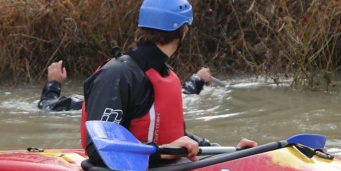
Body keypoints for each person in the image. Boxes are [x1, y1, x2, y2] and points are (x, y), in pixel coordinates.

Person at [79, 0, 256, 165]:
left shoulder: (165, 74)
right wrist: (163, 151)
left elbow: (178, 137)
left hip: (161, 168)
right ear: (183, 30)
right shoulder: (117, 74)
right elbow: (98, 148)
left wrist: (231, 153)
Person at [37, 60, 213, 112]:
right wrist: (197, 79)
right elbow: (181, 96)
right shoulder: (150, 98)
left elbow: (46, 105)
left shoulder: (95, 102)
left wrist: (54, 83)